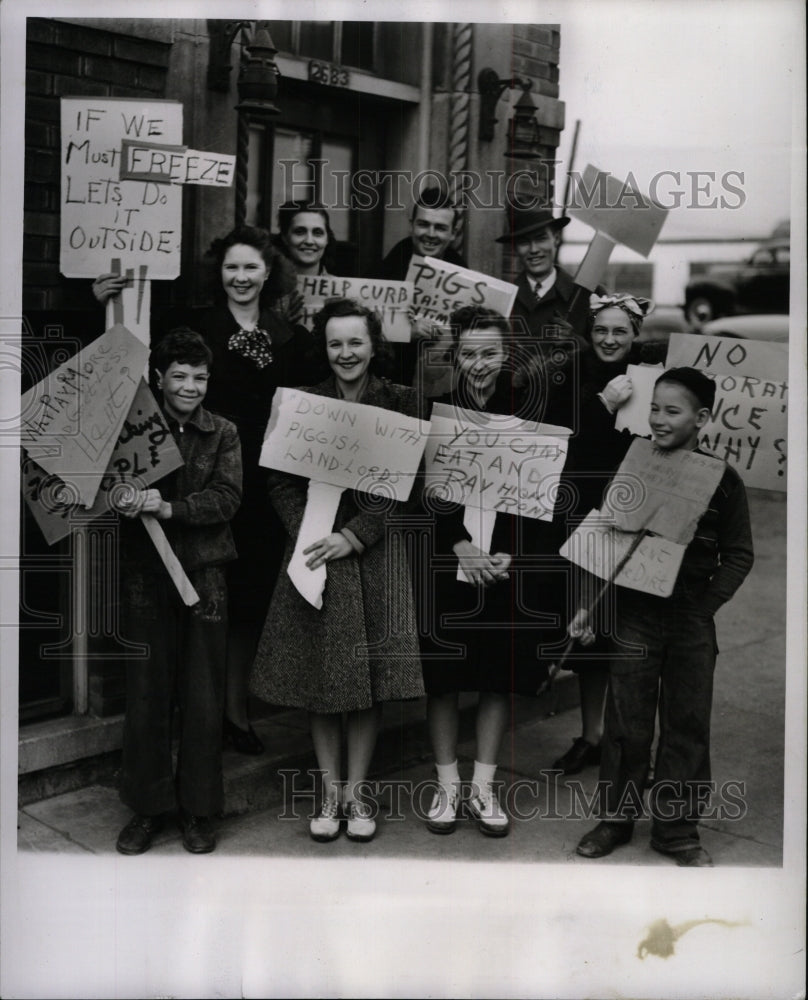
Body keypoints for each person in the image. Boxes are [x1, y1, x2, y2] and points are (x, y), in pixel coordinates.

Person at [93, 225, 312, 755]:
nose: (240, 277)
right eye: (231, 267)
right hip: (189, 483)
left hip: (263, 490)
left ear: (268, 273)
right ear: (220, 272)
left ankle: (232, 714)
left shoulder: (292, 338)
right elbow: (120, 365)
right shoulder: (188, 326)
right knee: (185, 602)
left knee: (244, 605)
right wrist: (100, 305)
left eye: (251, 267)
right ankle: (182, 719)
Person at [250, 298, 424, 843]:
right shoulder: (305, 404)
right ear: (324, 349)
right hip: (314, 551)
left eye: (355, 342)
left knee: (365, 684)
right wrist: (312, 531)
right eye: (335, 343)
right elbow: (278, 480)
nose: (345, 353)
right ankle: (329, 790)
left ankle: (359, 790)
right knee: (323, 678)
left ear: (374, 345)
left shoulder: (400, 402)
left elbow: (408, 482)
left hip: (372, 558)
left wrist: (355, 535)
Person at [572, 367, 754, 866]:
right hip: (636, 614)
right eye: (653, 408)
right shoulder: (634, 465)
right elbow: (604, 541)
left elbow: (739, 553)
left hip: (692, 618)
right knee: (626, 720)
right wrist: (586, 607)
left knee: (687, 723)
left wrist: (707, 603)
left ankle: (676, 830)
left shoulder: (723, 480)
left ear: (702, 418)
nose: (657, 419)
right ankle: (615, 820)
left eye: (671, 411)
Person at [418, 305, 561, 838]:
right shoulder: (435, 410)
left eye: (490, 353)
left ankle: (483, 785)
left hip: (502, 565)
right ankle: (447, 785)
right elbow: (421, 489)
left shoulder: (528, 413)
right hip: (445, 562)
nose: (479, 364)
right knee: (444, 679)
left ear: (506, 357)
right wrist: (456, 542)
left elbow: (543, 496)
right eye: (469, 353)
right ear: (454, 356)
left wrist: (513, 555)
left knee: (497, 676)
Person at [115, 328, 242, 855]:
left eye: (200, 377)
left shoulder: (224, 432)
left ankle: (198, 810)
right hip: (149, 574)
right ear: (159, 378)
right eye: (181, 376)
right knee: (147, 692)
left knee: (203, 693)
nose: (191, 386)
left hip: (206, 575)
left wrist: (170, 508)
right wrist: (124, 500)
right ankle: (148, 809)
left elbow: (229, 496)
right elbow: (109, 489)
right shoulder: (137, 430)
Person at [551, 292, 655, 775]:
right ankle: (592, 736)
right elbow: (557, 438)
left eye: (620, 331)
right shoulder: (571, 373)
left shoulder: (655, 375)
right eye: (601, 331)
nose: (610, 339)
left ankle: (632, 744)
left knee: (636, 633)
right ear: (589, 334)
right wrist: (601, 403)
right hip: (585, 513)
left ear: (635, 335)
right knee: (590, 627)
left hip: (640, 517)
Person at [379, 186, 467, 387]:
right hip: (393, 380)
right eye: (423, 224)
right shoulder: (390, 264)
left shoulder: (461, 271)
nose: (430, 234)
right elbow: (365, 321)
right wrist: (405, 331)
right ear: (411, 226)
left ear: (453, 233)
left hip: (440, 385)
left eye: (440, 227)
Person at [274, 200, 335, 278]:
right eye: (299, 232)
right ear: (285, 238)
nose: (309, 241)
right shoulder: (264, 287)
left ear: (327, 239)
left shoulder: (341, 288)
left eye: (317, 233)